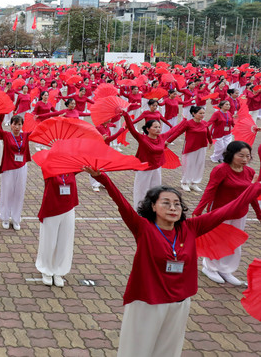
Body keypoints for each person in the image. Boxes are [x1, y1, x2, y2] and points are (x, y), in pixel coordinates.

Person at [86, 166, 261, 357]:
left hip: (180, 302)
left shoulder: (191, 227)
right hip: (147, 302)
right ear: (152, 206)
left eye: (177, 204)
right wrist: (102, 178)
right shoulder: (143, 228)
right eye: (166, 203)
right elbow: (121, 203)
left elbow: (230, 209)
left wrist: (257, 186)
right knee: (136, 350)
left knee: (168, 351)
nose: (173, 208)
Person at [192, 141, 261, 285]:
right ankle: (210, 268)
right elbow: (210, 190)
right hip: (220, 212)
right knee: (216, 240)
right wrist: (198, 211)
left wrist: (258, 213)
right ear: (231, 154)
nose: (244, 159)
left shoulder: (249, 172)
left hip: (240, 213)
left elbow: (251, 195)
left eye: (247, 156)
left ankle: (226, 269)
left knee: (234, 243)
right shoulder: (221, 169)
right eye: (240, 155)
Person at [123, 111, 178, 208]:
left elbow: (174, 130)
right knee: (141, 191)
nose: (158, 129)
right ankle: (139, 209)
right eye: (155, 127)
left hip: (156, 168)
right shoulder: (142, 138)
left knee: (156, 190)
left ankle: (153, 208)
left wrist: (185, 120)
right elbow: (131, 128)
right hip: (144, 169)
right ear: (148, 129)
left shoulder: (162, 137)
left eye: (159, 127)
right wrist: (125, 115)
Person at [35, 171, 79, 287]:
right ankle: (46, 270)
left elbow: (82, 166)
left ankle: (59, 270)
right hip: (52, 207)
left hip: (68, 207)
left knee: (64, 241)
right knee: (49, 241)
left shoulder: (71, 167)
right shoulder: (49, 166)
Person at [0, 115, 30, 230]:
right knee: (7, 193)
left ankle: (16, 219)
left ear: (22, 125)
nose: (17, 127)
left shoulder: (25, 136)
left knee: (19, 193)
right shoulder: (7, 135)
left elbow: (39, 129)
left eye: (19, 124)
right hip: (9, 168)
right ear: (11, 125)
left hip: (22, 168)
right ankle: (5, 218)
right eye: (15, 124)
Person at [167, 106, 212, 192]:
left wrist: (210, 142)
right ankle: (185, 183)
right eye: (200, 113)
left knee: (199, 165)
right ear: (194, 114)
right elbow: (178, 132)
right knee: (188, 165)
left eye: (203, 113)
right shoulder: (188, 123)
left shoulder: (204, 123)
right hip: (190, 147)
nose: (202, 115)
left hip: (202, 147)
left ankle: (194, 183)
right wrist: (168, 141)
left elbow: (208, 133)